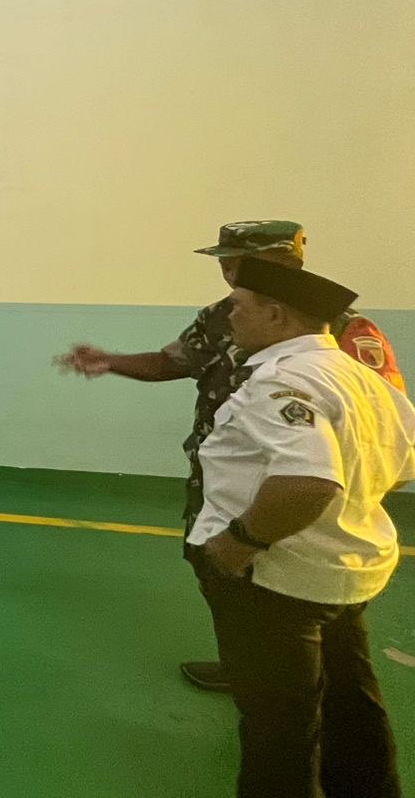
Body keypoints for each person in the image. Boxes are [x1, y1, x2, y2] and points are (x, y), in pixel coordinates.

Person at [57, 220, 404, 693]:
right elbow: (175, 361)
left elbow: (382, 421)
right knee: (216, 569)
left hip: (301, 494)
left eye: (239, 261)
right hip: (222, 477)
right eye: (224, 261)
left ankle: (284, 686)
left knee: (295, 607)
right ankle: (243, 663)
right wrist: (111, 362)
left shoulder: (336, 326)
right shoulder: (225, 315)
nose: (228, 271)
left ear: (284, 261)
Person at [190, 256, 415, 797]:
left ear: (275, 314)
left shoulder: (281, 380)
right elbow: (403, 464)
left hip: (278, 578)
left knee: (279, 727)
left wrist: (238, 543)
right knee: (351, 700)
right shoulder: (362, 378)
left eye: (238, 307)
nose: (229, 317)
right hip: (344, 570)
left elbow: (307, 483)